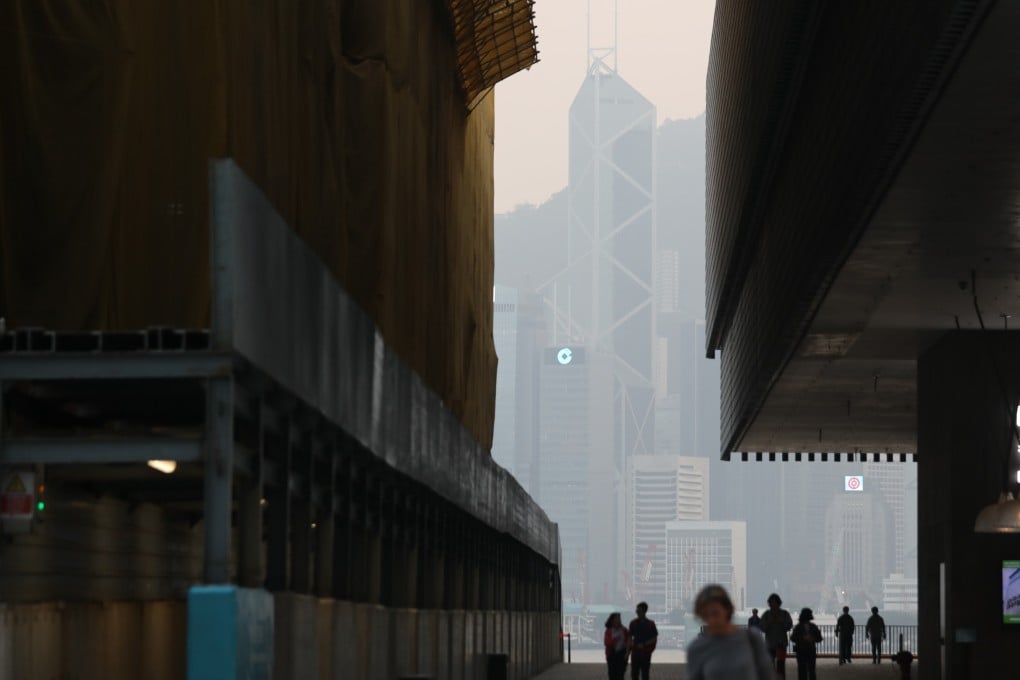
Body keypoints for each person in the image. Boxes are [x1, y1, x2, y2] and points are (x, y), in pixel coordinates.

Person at [686, 584, 773, 680]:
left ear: (727, 609)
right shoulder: (697, 648)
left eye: (715, 613)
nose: (711, 620)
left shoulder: (752, 639)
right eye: (705, 615)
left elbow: (766, 675)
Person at [759, 593, 793, 676]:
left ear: (778, 603)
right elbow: (762, 628)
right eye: (771, 602)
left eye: (774, 602)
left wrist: (782, 622)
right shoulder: (766, 614)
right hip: (769, 644)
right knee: (770, 666)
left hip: (781, 644)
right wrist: (768, 622)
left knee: (781, 665)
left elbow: (789, 626)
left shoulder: (784, 614)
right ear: (769, 604)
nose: (773, 604)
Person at [790, 608, 822, 680]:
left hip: (801, 650)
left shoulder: (798, 627)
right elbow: (819, 638)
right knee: (811, 670)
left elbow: (792, 638)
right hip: (810, 650)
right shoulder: (813, 626)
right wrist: (812, 639)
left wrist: (802, 639)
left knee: (802, 670)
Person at [628, 601, 658, 680]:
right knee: (634, 674)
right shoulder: (633, 623)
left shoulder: (651, 624)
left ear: (644, 611)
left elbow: (654, 638)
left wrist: (644, 644)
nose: (637, 612)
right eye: (637, 610)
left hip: (645, 653)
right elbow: (629, 638)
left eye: (639, 610)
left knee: (645, 674)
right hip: (635, 652)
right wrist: (628, 652)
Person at [604, 612, 630, 680]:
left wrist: (627, 653)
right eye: (617, 618)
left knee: (620, 674)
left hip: (622, 655)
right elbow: (607, 643)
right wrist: (615, 639)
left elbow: (629, 641)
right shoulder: (609, 631)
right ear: (612, 620)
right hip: (611, 655)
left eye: (619, 618)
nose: (619, 620)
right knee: (612, 674)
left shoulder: (624, 630)